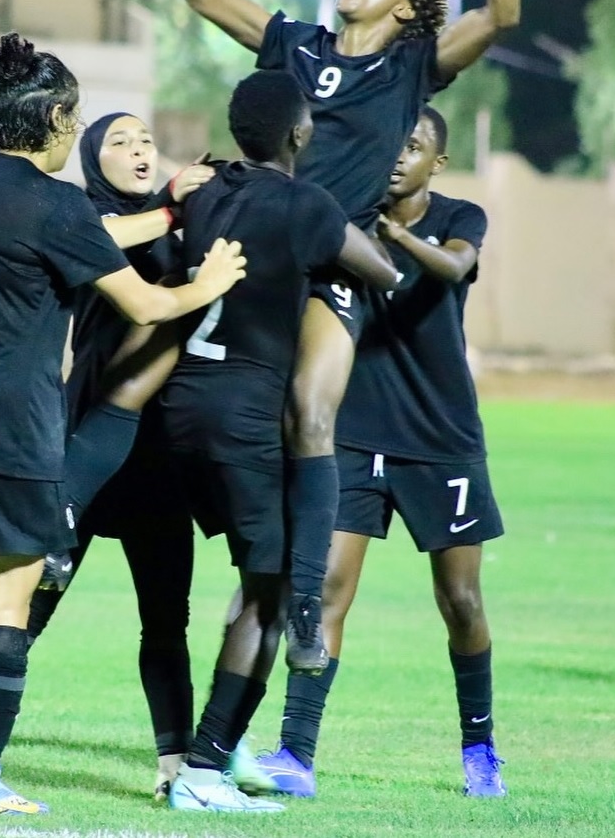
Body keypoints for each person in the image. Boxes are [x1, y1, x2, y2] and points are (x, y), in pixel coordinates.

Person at [0, 32, 247, 814]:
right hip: (4, 425)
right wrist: (212, 280)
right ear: (58, 120)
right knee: (5, 605)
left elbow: (90, 238)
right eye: (82, 120)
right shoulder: (56, 202)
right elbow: (149, 303)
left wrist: (160, 211)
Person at [181, 0, 520, 672]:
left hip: (331, 265)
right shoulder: (295, 45)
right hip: (254, 250)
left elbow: (500, 15)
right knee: (162, 387)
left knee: (311, 409)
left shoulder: (413, 67)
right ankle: (74, 518)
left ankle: (301, 605)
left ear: (407, 11)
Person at [157, 69, 399, 812]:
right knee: (269, 594)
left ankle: (213, 755)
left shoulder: (202, 192)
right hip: (243, 420)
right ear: (300, 134)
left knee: (203, 590)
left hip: (176, 408)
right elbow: (381, 272)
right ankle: (202, 770)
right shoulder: (306, 205)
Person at [258, 107, 507, 799]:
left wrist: (392, 237)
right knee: (327, 594)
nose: (401, 156)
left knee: (460, 600)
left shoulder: (462, 216)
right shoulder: (344, 215)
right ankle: (296, 755)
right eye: (394, 142)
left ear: (439, 163)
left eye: (417, 146)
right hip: (352, 432)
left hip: (440, 437)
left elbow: (454, 270)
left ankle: (481, 749)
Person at [27, 112, 210, 801]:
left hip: (158, 450)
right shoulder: (82, 217)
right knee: (37, 592)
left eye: (144, 140)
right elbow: (136, 298)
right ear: (92, 162)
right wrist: (171, 204)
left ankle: (175, 766)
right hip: (90, 436)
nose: (137, 149)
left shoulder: (176, 220)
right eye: (118, 142)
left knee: (167, 618)